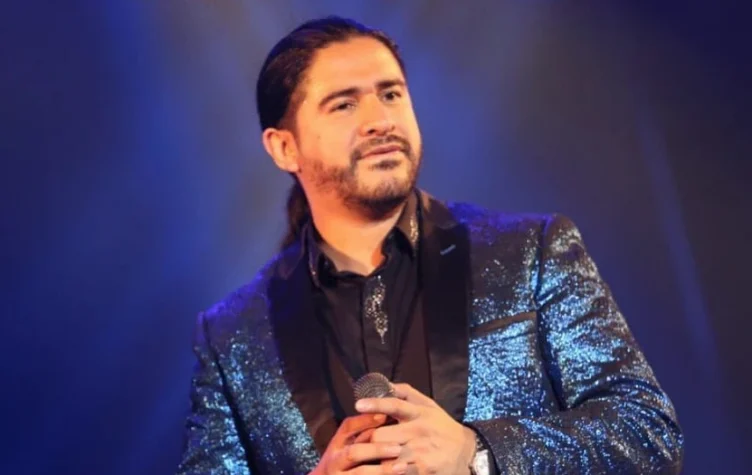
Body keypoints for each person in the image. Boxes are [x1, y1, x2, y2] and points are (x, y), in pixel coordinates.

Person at [177, 15, 683, 475]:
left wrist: (476, 452)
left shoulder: (531, 252)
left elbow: (649, 433)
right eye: (345, 104)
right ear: (284, 147)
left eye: (391, 94)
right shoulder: (233, 333)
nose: (380, 120)